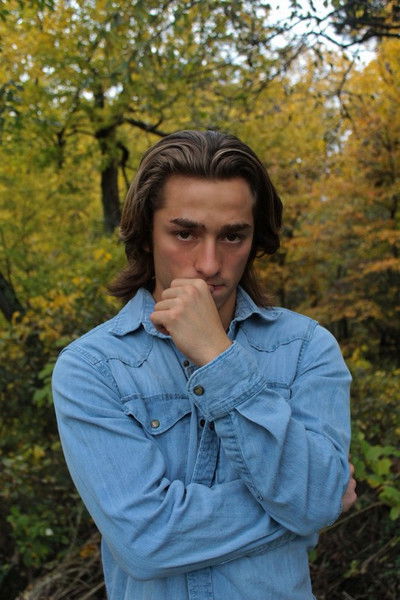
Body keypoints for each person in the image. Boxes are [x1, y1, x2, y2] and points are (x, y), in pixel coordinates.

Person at [52, 130, 356, 600]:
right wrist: (306, 506)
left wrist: (217, 357)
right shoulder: (91, 367)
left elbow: (314, 499)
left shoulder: (306, 348)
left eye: (233, 235)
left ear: (255, 239)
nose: (210, 264)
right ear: (146, 234)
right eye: (185, 233)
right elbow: (146, 542)